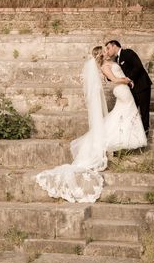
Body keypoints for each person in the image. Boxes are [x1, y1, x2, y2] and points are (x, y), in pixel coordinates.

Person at [35, 45, 144, 203]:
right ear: (101, 55)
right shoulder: (105, 67)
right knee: (119, 117)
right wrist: (126, 80)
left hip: (124, 91)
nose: (107, 51)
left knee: (118, 117)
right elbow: (114, 80)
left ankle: (125, 140)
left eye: (108, 49)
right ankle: (119, 141)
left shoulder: (109, 63)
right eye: (105, 50)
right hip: (122, 89)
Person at [104, 40, 152, 135]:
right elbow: (118, 74)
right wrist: (108, 75)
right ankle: (133, 134)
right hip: (131, 89)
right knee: (132, 111)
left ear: (114, 46)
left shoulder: (128, 53)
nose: (108, 51)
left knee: (144, 111)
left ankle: (145, 134)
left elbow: (138, 66)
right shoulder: (115, 59)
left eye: (108, 48)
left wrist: (129, 79)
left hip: (142, 86)